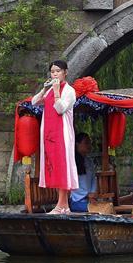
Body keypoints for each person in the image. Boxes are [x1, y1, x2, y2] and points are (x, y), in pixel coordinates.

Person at [31, 60, 79, 214]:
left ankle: (61, 205)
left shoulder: (69, 91)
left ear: (65, 72)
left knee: (62, 167)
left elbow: (60, 109)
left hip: (63, 135)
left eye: (58, 71)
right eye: (52, 72)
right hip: (50, 134)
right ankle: (63, 206)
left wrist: (57, 91)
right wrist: (44, 89)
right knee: (55, 167)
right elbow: (34, 102)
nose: (55, 74)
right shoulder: (50, 90)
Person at [69, 133, 97, 212]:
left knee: (106, 208)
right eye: (86, 143)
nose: (89, 145)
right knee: (97, 211)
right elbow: (72, 185)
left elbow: (93, 179)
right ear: (77, 144)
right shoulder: (72, 162)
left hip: (89, 199)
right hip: (77, 201)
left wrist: (92, 193)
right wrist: (87, 195)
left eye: (89, 142)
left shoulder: (89, 161)